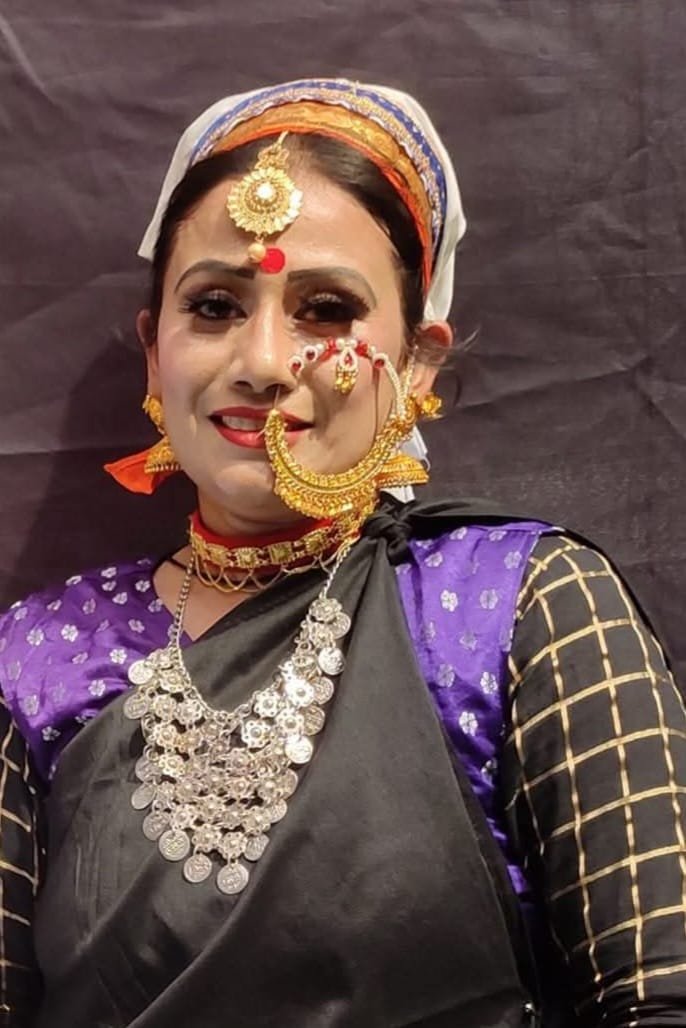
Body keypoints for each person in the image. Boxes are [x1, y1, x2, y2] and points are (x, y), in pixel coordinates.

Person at [0, 78, 684, 1028]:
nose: (263, 362)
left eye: (325, 309)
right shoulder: (36, 660)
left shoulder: (522, 604)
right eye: (214, 306)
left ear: (417, 360)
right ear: (156, 352)